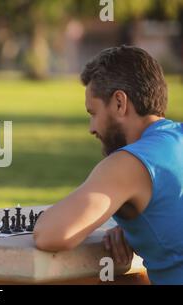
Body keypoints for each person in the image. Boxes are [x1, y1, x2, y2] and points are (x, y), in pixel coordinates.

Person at [33, 46, 183, 284]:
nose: (92, 128)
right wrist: (132, 229)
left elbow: (50, 235)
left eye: (93, 112)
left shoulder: (129, 162)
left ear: (119, 103)